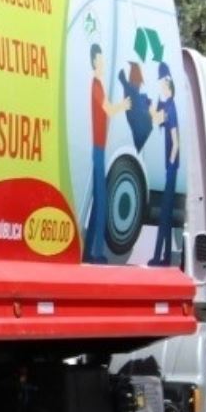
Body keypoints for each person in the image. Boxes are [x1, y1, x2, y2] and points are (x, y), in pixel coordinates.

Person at [82, 43, 131, 264]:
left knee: (98, 201)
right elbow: (109, 109)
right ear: (94, 63)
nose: (103, 65)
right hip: (99, 149)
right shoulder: (96, 85)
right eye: (100, 61)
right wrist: (124, 105)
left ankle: (90, 251)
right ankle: (96, 252)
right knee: (101, 201)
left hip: (100, 147)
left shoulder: (98, 84)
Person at [149, 64, 182, 266]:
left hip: (172, 167)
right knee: (167, 214)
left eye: (161, 82)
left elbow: (175, 140)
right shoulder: (166, 105)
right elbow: (155, 118)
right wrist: (151, 104)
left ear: (167, 82)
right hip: (170, 167)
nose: (160, 86)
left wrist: (171, 163)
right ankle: (165, 257)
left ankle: (160, 257)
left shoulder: (171, 108)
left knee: (164, 214)